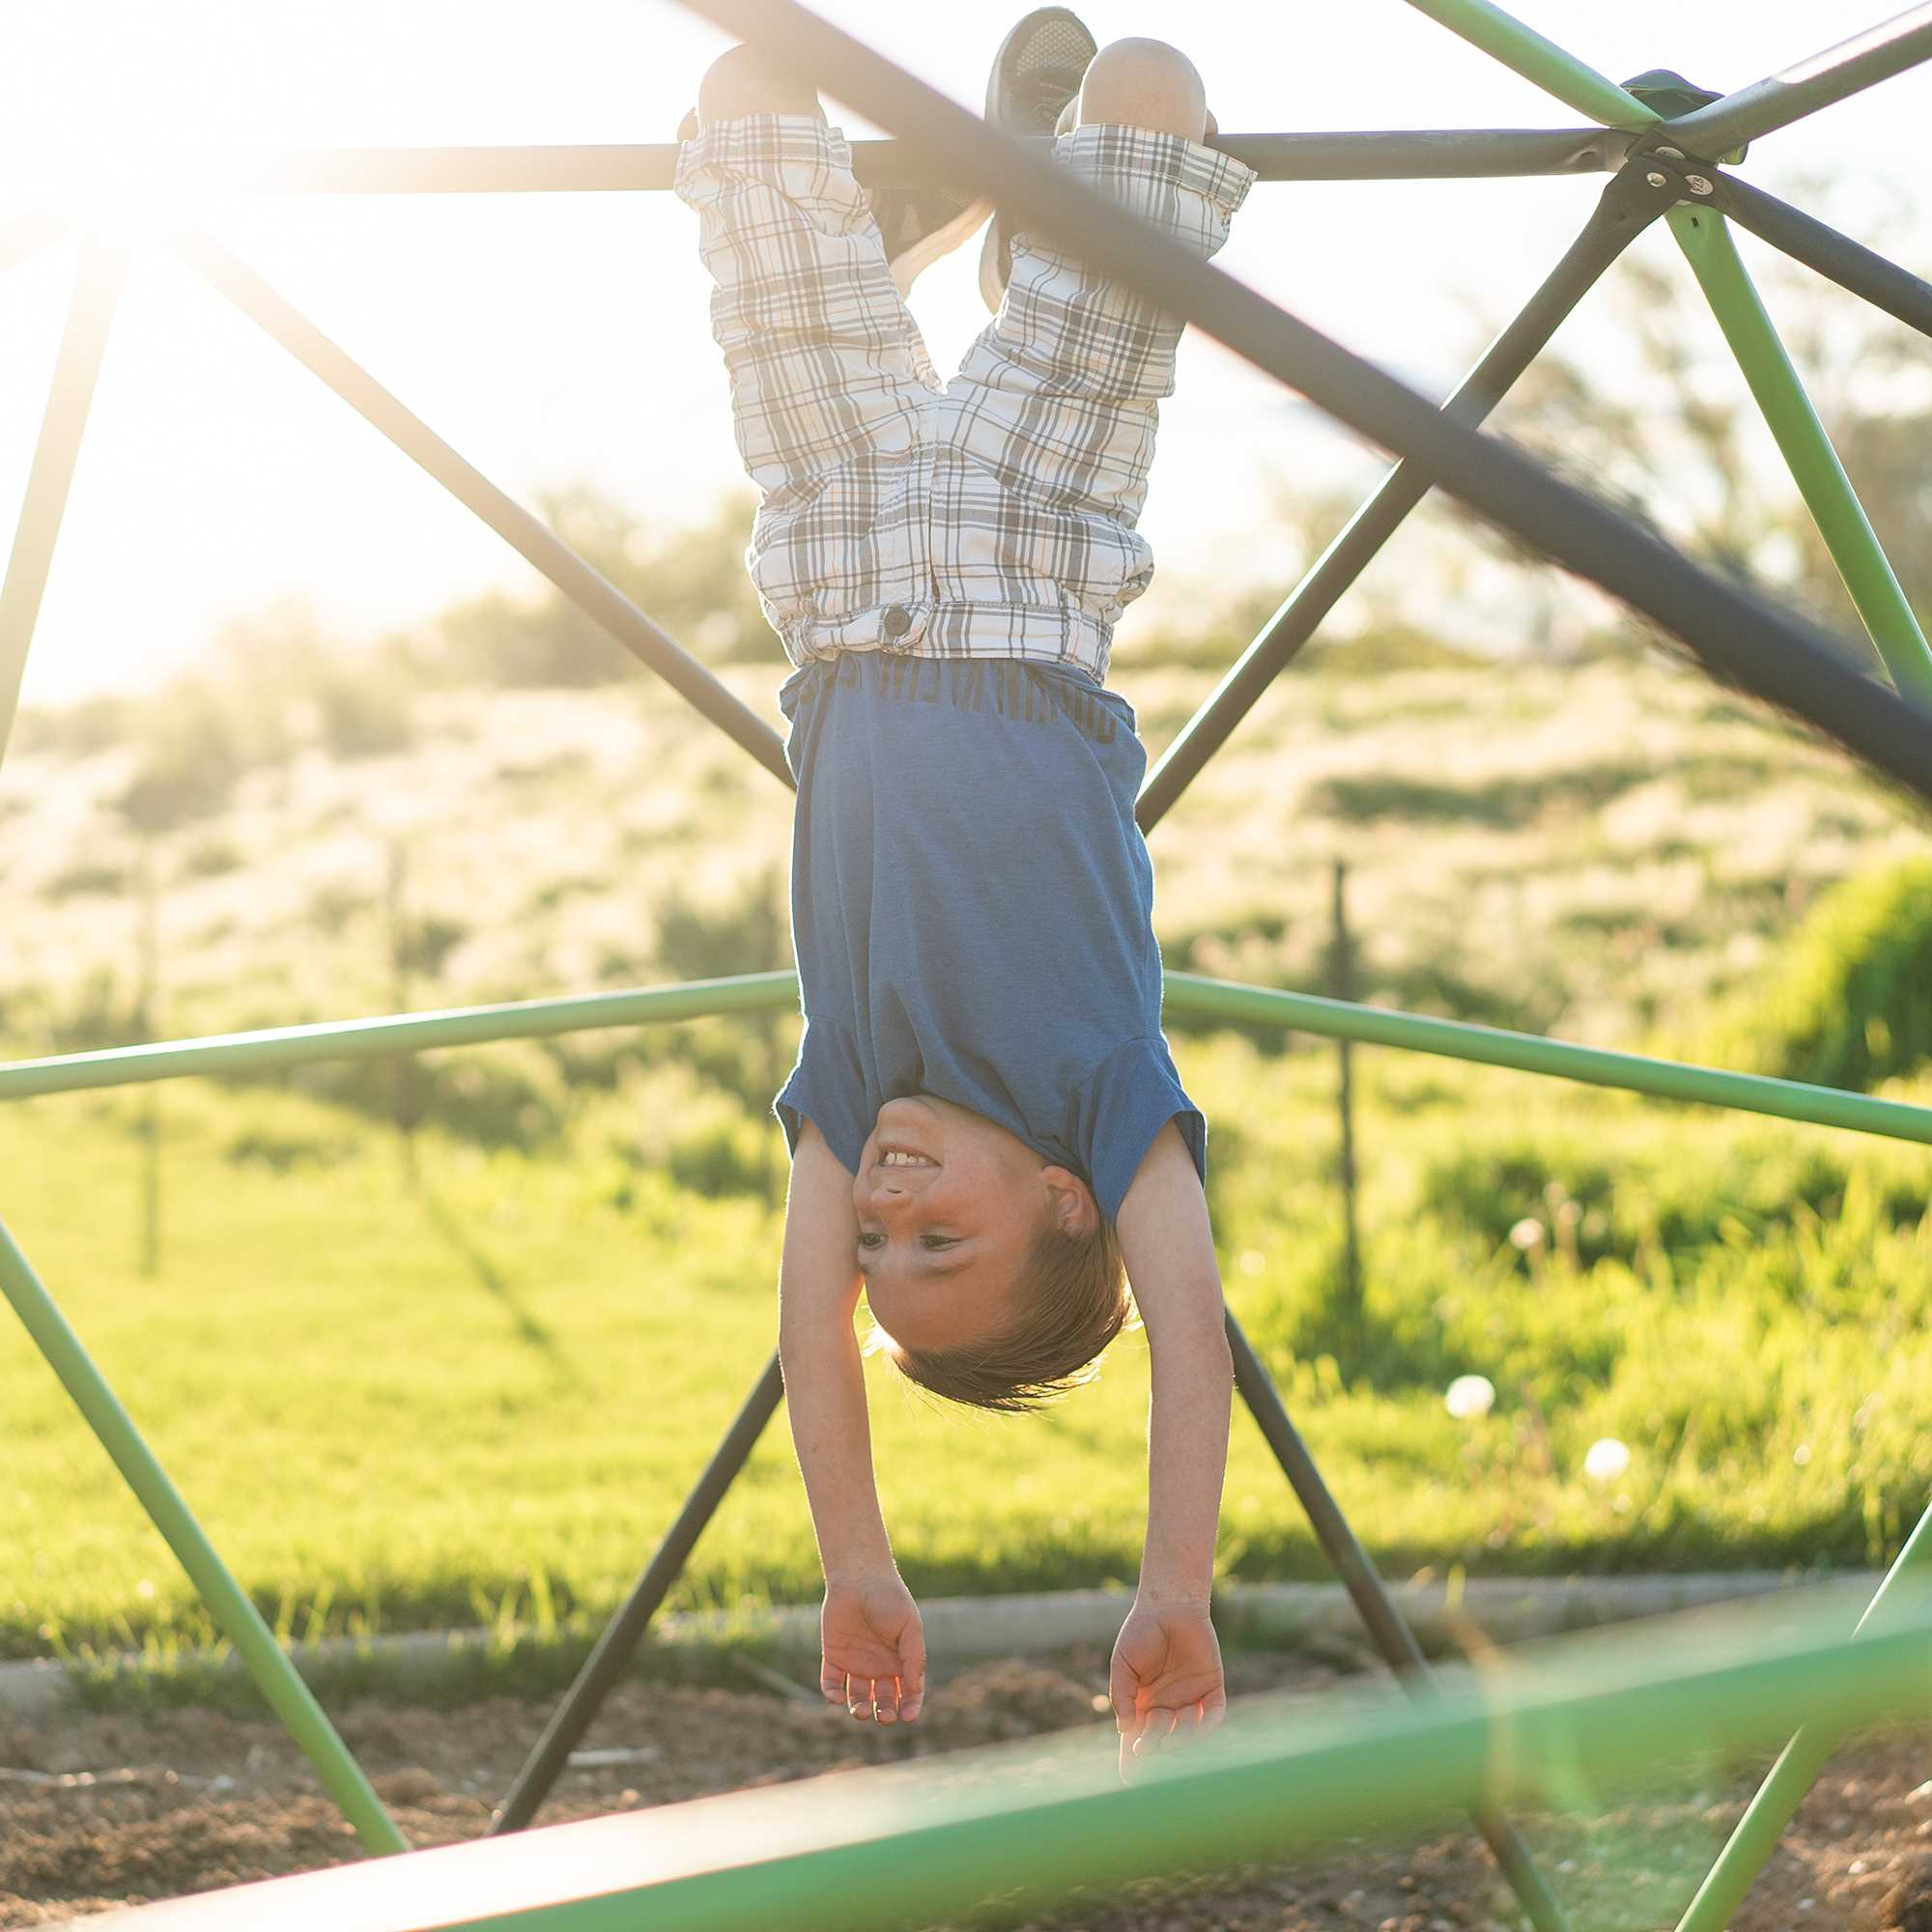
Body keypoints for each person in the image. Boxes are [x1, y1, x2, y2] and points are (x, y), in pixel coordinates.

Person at [675, 9, 1253, 1775]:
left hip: (839, 555)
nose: (892, 1214)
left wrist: (859, 1565)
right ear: (1073, 1207)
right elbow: (1192, 1345)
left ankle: (952, 206)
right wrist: (1175, 1585)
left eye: (886, 1248)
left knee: (740, 96)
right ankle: (1030, 207)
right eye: (947, 1242)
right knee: (1151, 87)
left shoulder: (854, 1094)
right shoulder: (1105, 1093)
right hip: (1027, 548)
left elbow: (812, 1350)